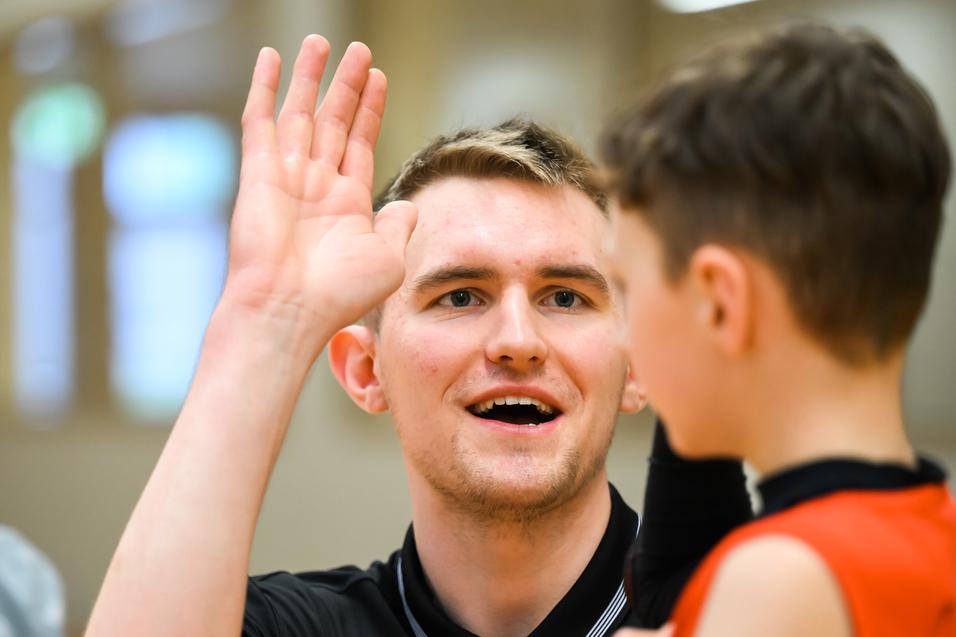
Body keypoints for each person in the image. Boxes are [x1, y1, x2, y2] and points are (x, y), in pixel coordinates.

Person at [86, 35, 750, 636]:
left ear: (638, 366)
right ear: (364, 370)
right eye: (461, 295)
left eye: (565, 297)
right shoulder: (297, 627)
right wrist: (263, 319)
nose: (518, 340)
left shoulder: (754, 610)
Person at [602, 22, 956, 637]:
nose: (623, 338)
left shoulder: (778, 582)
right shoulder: (936, 531)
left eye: (628, 289)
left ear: (720, 303)